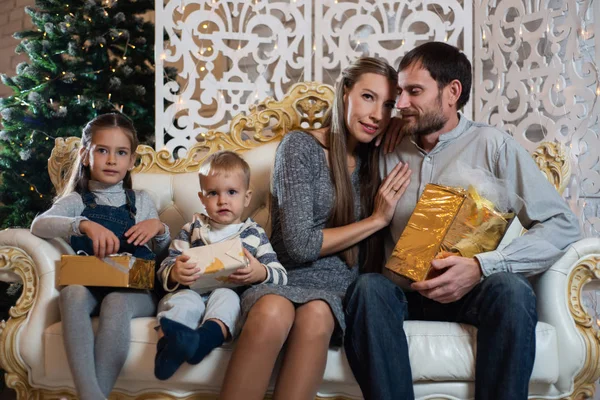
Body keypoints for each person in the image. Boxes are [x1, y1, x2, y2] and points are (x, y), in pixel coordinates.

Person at [344, 41, 582, 400]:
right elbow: (339, 142)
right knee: (367, 290)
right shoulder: (387, 144)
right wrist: (391, 122)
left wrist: (482, 266)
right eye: (399, 94)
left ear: (452, 92)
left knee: (512, 290)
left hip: (470, 294)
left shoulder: (493, 146)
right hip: (403, 294)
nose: (402, 103)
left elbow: (561, 224)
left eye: (414, 91)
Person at [219, 57, 412, 400]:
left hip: (337, 290)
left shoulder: (379, 158)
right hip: (282, 275)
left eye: (387, 105)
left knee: (316, 317)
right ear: (345, 93)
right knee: (272, 311)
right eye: (368, 97)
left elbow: (437, 133)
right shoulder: (300, 147)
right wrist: (375, 220)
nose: (376, 115)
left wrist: (402, 125)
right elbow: (299, 246)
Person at [30, 113, 171, 400]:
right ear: (85, 155)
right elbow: (39, 225)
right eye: (102, 150)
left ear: (131, 161)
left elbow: (163, 254)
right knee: (71, 294)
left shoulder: (141, 200)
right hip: (92, 283)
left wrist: (159, 227)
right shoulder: (76, 202)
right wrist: (83, 224)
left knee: (116, 302)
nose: (111, 160)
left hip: (135, 290)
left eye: (121, 153)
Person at [153, 150, 287, 380]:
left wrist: (259, 271)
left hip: (229, 293)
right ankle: (169, 348)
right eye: (213, 193)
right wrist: (175, 272)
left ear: (246, 197)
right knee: (183, 302)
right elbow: (166, 264)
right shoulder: (192, 229)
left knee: (228, 298)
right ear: (202, 198)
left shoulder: (254, 234)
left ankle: (204, 340)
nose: (223, 200)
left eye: (232, 192)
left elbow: (281, 275)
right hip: (192, 291)